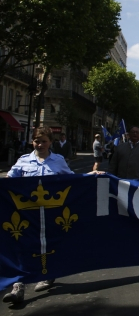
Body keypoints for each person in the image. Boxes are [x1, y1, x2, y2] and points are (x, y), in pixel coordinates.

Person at [3, 127, 103, 305]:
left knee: (49, 244)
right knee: (23, 247)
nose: (40, 144)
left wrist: (90, 176)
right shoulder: (24, 160)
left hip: (50, 213)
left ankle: (48, 275)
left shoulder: (58, 160)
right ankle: (18, 285)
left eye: (43, 141)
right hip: (27, 215)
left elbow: (71, 180)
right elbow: (10, 181)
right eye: (36, 141)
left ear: (50, 142)